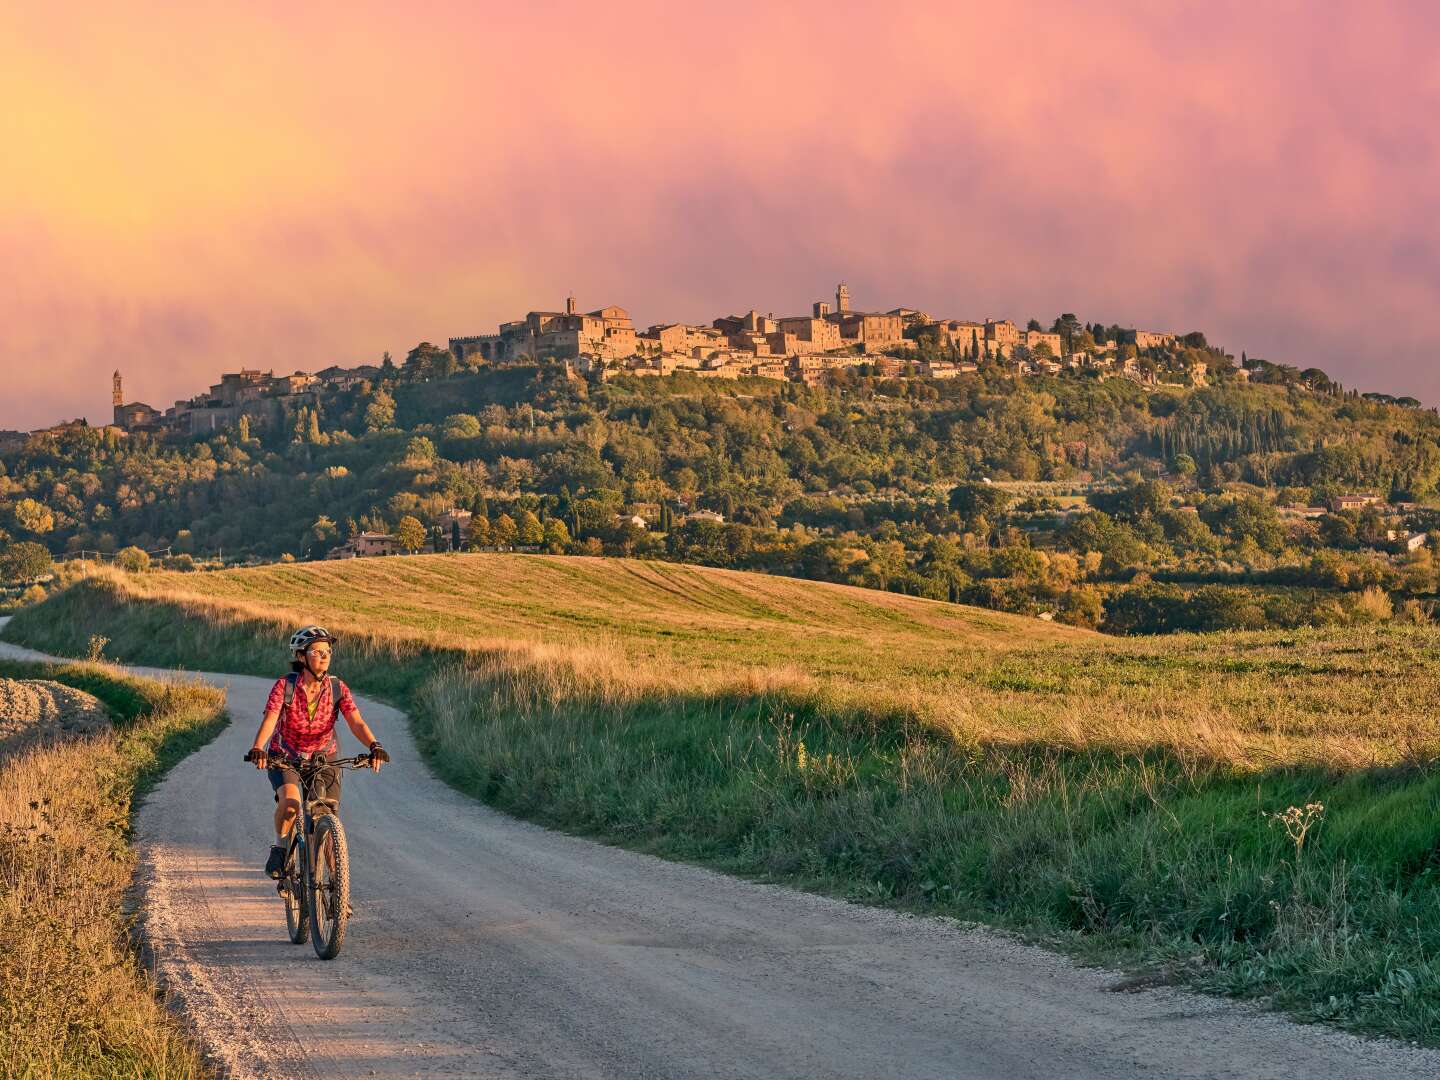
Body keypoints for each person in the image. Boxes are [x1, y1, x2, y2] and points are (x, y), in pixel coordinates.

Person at [244, 626, 389, 878]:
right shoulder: (284, 686)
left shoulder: (337, 688)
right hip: (286, 756)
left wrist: (374, 746)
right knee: (291, 804)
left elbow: (356, 721)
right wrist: (258, 748)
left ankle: (337, 890)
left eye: (328, 651)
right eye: (317, 651)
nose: (324, 656)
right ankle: (279, 849)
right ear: (301, 656)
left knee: (327, 815)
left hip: (324, 755)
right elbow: (270, 719)